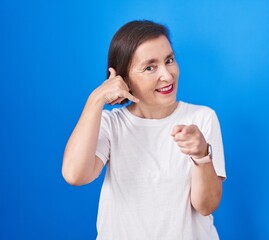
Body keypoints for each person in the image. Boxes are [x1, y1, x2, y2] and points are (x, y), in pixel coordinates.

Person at [62, 20, 226, 240]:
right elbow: (75, 175)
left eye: (169, 60)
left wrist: (202, 155)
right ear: (122, 78)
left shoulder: (201, 118)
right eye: (150, 67)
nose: (167, 76)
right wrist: (96, 99)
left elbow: (206, 206)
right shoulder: (111, 124)